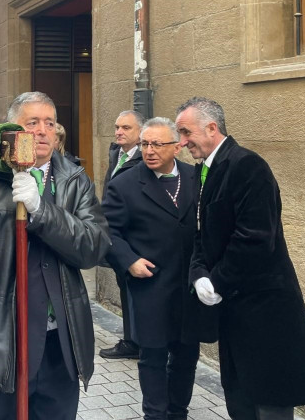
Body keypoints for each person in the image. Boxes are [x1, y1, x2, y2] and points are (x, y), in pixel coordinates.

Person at [0, 92, 110, 420]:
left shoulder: (75, 180)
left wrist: (40, 209)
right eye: (32, 123)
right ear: (11, 130)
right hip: (2, 343)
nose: (42, 131)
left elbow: (94, 246)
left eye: (50, 123)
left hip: (60, 341)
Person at [176, 97, 305, 419]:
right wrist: (198, 273)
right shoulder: (207, 169)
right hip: (233, 311)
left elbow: (255, 239)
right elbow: (202, 232)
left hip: (265, 312)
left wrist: (216, 281)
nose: (182, 142)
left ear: (211, 128)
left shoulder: (247, 165)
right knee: (239, 400)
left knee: (269, 402)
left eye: (186, 132)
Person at [102, 117, 201, 420]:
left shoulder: (195, 177)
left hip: (188, 285)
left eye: (158, 144)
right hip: (152, 285)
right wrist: (128, 260)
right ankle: (155, 415)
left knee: (186, 356)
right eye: (145, 144)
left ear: (176, 147)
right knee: (153, 356)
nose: (149, 150)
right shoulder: (125, 184)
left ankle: (178, 412)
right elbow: (106, 230)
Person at [98, 109, 145, 360]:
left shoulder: (144, 157)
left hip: (134, 236)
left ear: (140, 132)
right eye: (117, 127)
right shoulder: (116, 153)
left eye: (126, 128)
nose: (119, 132)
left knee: (137, 290)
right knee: (123, 286)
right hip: (115, 234)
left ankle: (140, 341)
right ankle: (132, 340)